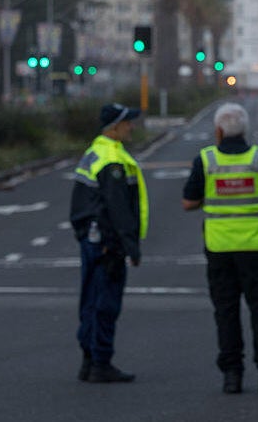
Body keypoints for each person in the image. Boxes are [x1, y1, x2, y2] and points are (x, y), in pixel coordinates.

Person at [182, 102, 258, 394]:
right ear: (245, 129)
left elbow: (188, 202)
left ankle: (232, 375)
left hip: (219, 250)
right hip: (256, 247)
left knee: (226, 311)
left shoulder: (206, 160)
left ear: (218, 130)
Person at [69, 103, 148, 383]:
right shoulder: (111, 160)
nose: (131, 126)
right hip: (107, 243)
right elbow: (119, 211)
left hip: (92, 240)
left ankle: (88, 360)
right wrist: (130, 247)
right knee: (105, 303)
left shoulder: (95, 152)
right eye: (127, 122)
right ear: (114, 127)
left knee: (90, 301)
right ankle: (100, 362)